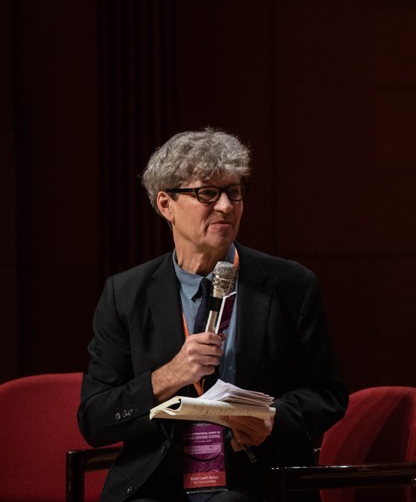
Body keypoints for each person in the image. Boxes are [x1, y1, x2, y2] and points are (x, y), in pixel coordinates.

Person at [78, 128, 348, 502]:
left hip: (253, 476)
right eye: (207, 193)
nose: (225, 206)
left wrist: (272, 420)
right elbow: (95, 417)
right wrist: (169, 376)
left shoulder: (290, 285)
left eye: (234, 192)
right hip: (157, 481)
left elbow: (326, 395)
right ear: (165, 204)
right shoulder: (125, 294)